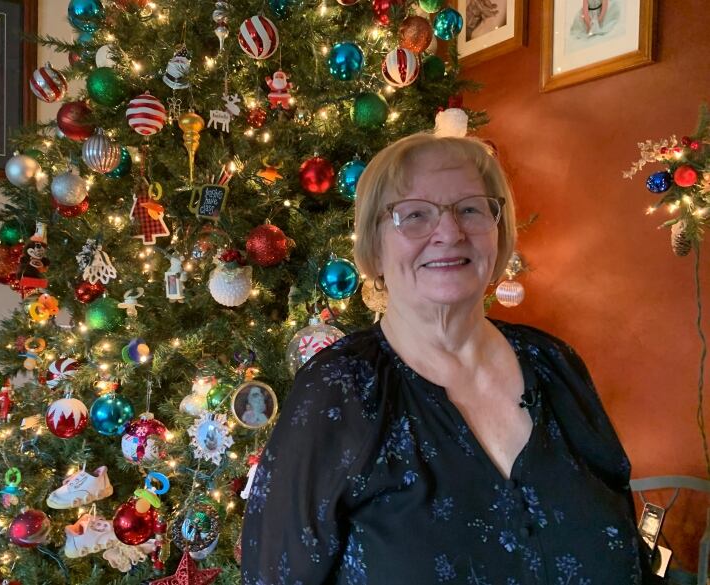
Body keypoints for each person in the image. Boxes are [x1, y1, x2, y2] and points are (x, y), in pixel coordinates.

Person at [241, 133, 661, 584]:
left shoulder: (554, 363)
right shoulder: (338, 389)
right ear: (376, 249)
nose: (449, 232)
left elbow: (627, 548)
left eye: (470, 209)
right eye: (415, 214)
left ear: (498, 233)